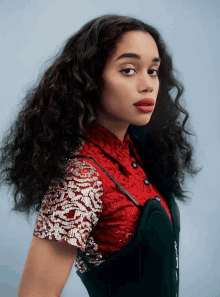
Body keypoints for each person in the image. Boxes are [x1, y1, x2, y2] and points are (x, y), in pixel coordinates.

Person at [0, 14, 202, 297]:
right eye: (129, 70)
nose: (148, 85)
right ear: (91, 78)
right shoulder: (80, 178)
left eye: (153, 71)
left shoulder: (139, 151)